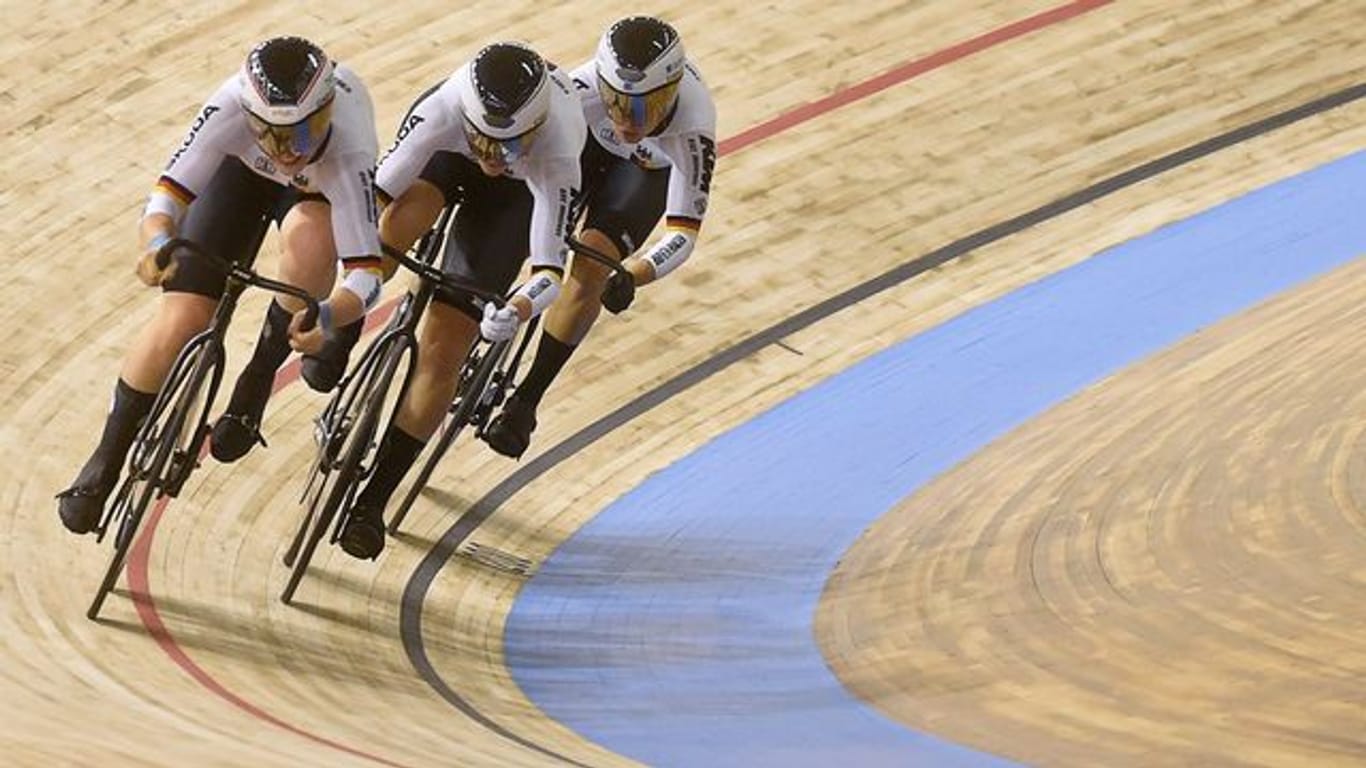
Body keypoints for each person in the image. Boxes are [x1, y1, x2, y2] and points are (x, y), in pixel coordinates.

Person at [55, 36, 383, 534]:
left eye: (302, 134)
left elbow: (366, 272)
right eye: (271, 136)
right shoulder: (228, 104)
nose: (287, 152)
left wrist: (326, 314)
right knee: (182, 316)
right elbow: (166, 196)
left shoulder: (350, 146)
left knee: (311, 243)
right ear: (249, 115)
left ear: (328, 111)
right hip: (236, 177)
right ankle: (105, 459)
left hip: (313, 198)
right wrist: (154, 245)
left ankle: (257, 379)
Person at [334, 41, 586, 560]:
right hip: (448, 158)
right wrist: (354, 276)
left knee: (444, 350)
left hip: (519, 199)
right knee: (398, 222)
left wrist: (517, 308)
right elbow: (371, 199)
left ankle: (372, 503)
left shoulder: (560, 147)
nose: (494, 158)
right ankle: (343, 329)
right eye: (486, 142)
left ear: (535, 130)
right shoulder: (443, 111)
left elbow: (548, 271)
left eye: (509, 145)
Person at [482, 16, 717, 459]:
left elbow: (683, 232)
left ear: (672, 94)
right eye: (617, 102)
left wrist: (634, 273)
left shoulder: (694, 123)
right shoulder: (581, 90)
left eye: (645, 108)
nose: (628, 120)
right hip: (581, 148)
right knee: (525, 220)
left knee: (591, 266)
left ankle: (525, 402)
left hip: (644, 176)